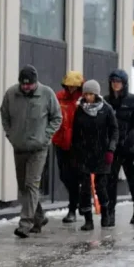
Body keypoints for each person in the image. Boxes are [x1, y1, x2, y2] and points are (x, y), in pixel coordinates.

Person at [0, 65, 62, 238]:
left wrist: (45, 136)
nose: (26, 87)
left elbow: (57, 117)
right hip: (19, 146)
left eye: (30, 84)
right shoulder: (11, 94)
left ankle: (25, 224)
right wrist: (10, 134)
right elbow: (4, 114)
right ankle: (39, 216)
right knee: (23, 187)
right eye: (23, 84)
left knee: (31, 184)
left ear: (36, 83)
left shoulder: (47, 94)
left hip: (38, 148)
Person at [70, 80, 119, 230]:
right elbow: (76, 133)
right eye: (86, 94)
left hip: (102, 154)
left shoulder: (107, 110)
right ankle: (88, 220)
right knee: (84, 188)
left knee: (101, 187)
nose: (88, 97)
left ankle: (105, 214)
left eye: (91, 94)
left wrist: (111, 149)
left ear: (96, 94)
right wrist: (75, 153)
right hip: (84, 154)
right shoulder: (80, 110)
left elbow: (114, 131)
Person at [104, 69, 134, 226]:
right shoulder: (107, 101)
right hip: (112, 148)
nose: (116, 84)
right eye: (113, 81)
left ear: (124, 84)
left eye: (118, 82)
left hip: (129, 148)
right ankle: (110, 212)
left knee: (131, 180)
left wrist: (128, 139)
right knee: (111, 181)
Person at [51, 71, 85, 223]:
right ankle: (77, 200)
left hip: (78, 145)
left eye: (74, 87)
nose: (71, 89)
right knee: (64, 176)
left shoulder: (84, 100)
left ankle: (73, 208)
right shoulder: (58, 98)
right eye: (69, 86)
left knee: (76, 176)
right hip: (61, 141)